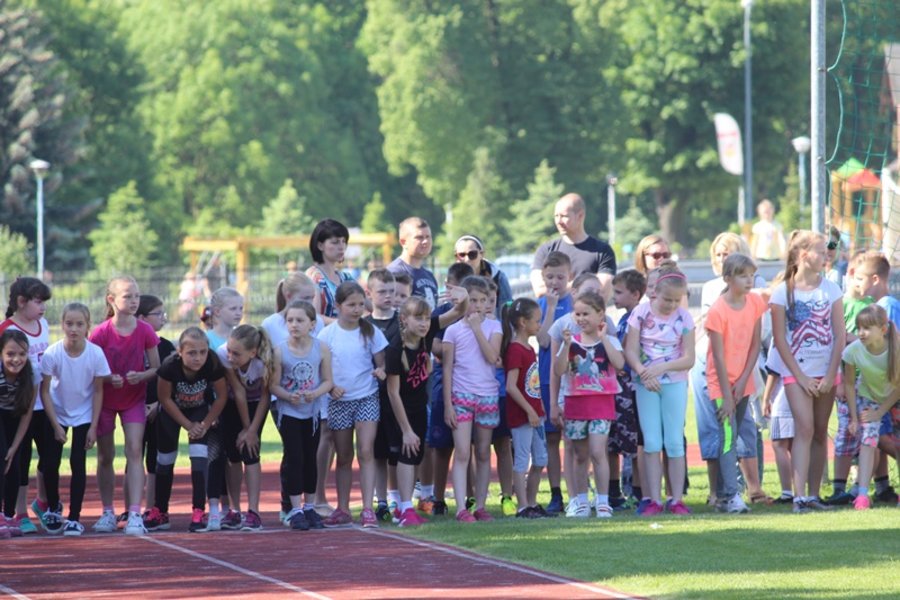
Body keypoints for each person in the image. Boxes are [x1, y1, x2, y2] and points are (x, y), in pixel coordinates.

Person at [691, 233, 770, 507]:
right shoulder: (718, 312)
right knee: (727, 436)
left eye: (751, 276)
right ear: (727, 278)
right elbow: (718, 357)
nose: (749, 281)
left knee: (737, 435)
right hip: (721, 383)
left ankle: (728, 494)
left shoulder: (755, 303)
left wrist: (743, 381)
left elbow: (754, 345)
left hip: (743, 381)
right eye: (742, 276)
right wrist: (727, 392)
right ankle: (730, 495)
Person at [769, 230, 844, 513]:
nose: (826, 256)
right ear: (803, 255)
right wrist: (800, 377)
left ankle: (813, 495)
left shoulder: (831, 289)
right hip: (796, 374)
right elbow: (780, 339)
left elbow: (839, 335)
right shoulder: (782, 293)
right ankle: (798, 497)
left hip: (826, 372)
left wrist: (830, 375)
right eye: (820, 251)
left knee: (820, 432)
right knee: (805, 428)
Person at [386, 293, 467, 527]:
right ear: (404, 319)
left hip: (419, 406)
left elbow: (459, 311)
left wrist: (462, 297)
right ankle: (404, 507)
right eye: (418, 318)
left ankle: (405, 508)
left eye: (426, 318)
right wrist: (406, 430)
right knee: (405, 454)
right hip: (398, 410)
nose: (424, 323)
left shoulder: (428, 332)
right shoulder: (395, 349)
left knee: (416, 455)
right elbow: (393, 393)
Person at [89, 276, 160, 535]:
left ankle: (134, 513)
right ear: (112, 300)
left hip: (134, 399)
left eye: (136, 296)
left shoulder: (145, 330)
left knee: (134, 451)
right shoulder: (100, 333)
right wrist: (109, 378)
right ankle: (107, 511)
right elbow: (91, 370)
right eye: (127, 296)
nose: (133, 301)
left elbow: (157, 367)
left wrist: (141, 376)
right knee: (105, 456)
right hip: (106, 401)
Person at [624, 266, 695, 516]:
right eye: (667, 299)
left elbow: (688, 359)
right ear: (655, 292)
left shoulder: (684, 318)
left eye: (676, 300)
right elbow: (630, 350)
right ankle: (653, 499)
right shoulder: (641, 313)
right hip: (645, 384)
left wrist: (660, 369)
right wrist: (644, 372)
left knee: (674, 442)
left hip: (674, 382)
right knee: (652, 442)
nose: (671, 305)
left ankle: (676, 499)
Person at [319, 282, 388, 528]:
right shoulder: (327, 335)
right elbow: (321, 368)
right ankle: (343, 507)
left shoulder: (370, 331)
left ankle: (368, 508)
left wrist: (381, 370)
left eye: (360, 304)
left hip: (366, 396)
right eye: (351, 305)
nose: (357, 309)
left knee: (366, 451)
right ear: (338, 306)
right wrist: (331, 387)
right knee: (344, 455)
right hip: (339, 400)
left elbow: (381, 361)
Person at [38, 303, 110, 536]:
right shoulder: (52, 354)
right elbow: (44, 391)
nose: (74, 329)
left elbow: (98, 391)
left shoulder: (95, 354)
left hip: (84, 414)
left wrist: (93, 426)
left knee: (77, 462)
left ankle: (74, 517)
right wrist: (55, 424)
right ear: (62, 325)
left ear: (88, 326)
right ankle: (52, 508)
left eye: (79, 324)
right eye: (69, 324)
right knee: (50, 463)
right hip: (57, 411)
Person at [147, 327, 228, 533]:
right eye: (191, 353)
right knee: (165, 460)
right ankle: (160, 511)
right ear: (180, 351)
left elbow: (222, 396)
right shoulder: (169, 366)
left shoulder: (212, 362)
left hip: (199, 412)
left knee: (199, 459)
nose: (198, 358)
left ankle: (198, 511)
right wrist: (187, 425)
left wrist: (205, 424)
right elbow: (164, 399)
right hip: (172, 413)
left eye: (202, 352)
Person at [555, 291, 625, 519]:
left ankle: (603, 501)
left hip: (601, 405)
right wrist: (566, 346)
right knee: (579, 454)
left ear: (600, 315)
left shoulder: (610, 340)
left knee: (597, 451)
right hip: (576, 405)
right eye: (578, 314)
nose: (581, 318)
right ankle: (581, 501)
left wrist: (604, 339)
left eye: (586, 314)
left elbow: (620, 364)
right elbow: (558, 370)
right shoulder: (571, 341)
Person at [443, 276, 502, 522]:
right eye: (473, 300)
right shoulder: (452, 330)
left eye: (482, 300)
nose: (478, 305)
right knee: (462, 452)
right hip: (461, 395)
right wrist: (448, 404)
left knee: (483, 452)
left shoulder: (494, 327)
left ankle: (481, 504)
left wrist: (478, 329)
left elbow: (492, 357)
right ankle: (460, 508)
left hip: (487, 395)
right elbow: (447, 368)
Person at [270, 301, 333, 531]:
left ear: (312, 324)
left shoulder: (321, 348)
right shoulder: (280, 351)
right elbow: (273, 385)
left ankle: (310, 506)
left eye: (299, 320)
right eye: (290, 320)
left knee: (310, 458)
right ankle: (295, 509)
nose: (294, 325)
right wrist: (289, 396)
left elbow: (328, 381)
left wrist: (315, 393)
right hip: (289, 412)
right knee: (294, 457)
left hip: (312, 413)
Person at [1, 277, 51, 535]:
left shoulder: (44, 325)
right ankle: (18, 513)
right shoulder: (6, 329)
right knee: (17, 460)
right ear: (21, 302)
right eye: (38, 302)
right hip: (12, 406)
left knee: (47, 457)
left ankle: (43, 503)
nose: (43, 307)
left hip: (41, 402)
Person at [426, 262, 475, 516]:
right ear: (449, 287)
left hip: (471, 385)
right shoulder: (442, 312)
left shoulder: (478, 313)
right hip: (442, 384)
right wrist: (452, 350)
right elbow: (434, 346)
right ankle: (437, 497)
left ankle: (471, 496)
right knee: (442, 445)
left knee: (468, 446)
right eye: (459, 289)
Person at [217, 325, 275, 531]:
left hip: (256, 404)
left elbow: (266, 396)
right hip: (232, 403)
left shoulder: (265, 361)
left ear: (252, 352)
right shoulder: (223, 354)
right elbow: (238, 391)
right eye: (229, 351)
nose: (230, 356)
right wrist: (245, 427)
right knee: (232, 455)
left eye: (236, 354)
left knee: (251, 452)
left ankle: (254, 512)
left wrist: (252, 431)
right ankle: (234, 510)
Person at [842, 305, 899, 510]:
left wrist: (881, 412)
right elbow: (849, 384)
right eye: (859, 328)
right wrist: (854, 418)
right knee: (868, 441)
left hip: (895, 396)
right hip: (869, 396)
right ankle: (862, 495)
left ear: (883, 330)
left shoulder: (896, 349)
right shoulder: (852, 351)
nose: (861, 333)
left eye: (867, 328)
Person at [500, 298, 549, 518]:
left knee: (540, 459)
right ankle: (522, 506)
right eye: (537, 321)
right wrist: (529, 410)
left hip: (536, 414)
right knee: (522, 459)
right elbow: (511, 386)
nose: (539, 325)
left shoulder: (529, 348)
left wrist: (539, 407)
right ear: (522, 322)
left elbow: (532, 384)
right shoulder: (515, 350)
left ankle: (532, 502)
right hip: (522, 416)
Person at [200, 286, 244, 529]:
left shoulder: (242, 338)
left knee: (233, 456)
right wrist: (210, 409)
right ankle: (216, 506)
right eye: (233, 308)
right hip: (213, 406)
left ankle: (233, 507)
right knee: (215, 456)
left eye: (241, 308)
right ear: (217, 311)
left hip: (236, 405)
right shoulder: (207, 340)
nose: (238, 312)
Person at [535, 252, 574, 513]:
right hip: (548, 378)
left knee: (573, 439)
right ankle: (556, 493)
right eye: (550, 277)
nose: (555, 282)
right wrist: (549, 307)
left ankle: (577, 492)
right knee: (551, 438)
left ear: (569, 276)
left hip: (574, 379)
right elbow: (543, 340)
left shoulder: (575, 302)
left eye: (560, 277)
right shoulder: (541, 303)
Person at [135, 295, 176, 518]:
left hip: (159, 410)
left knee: (154, 459)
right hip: (134, 410)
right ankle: (130, 508)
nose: (163, 317)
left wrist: (157, 404)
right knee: (134, 457)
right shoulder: (132, 344)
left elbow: (172, 382)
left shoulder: (166, 346)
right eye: (158, 313)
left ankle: (150, 507)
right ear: (142, 318)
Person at [530, 193, 616, 297]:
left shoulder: (602, 251)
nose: (558, 221)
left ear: (580, 216)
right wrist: (586, 284)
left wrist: (555, 288)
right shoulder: (545, 250)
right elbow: (539, 291)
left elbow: (602, 292)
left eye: (564, 216)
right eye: (556, 216)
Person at [611, 269, 647, 509]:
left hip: (634, 385)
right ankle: (625, 490)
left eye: (619, 292)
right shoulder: (624, 319)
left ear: (635, 294)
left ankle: (639, 490)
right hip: (621, 386)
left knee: (636, 442)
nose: (614, 297)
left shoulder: (640, 318)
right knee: (622, 440)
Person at [0, 330, 36, 539]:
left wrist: (14, 447)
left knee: (15, 465)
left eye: (22, 354)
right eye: (10, 354)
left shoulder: (32, 374)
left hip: (15, 416)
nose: (16, 359)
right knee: (1, 458)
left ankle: (9, 515)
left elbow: (27, 414)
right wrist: (6, 449)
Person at [306, 219, 355, 319]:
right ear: (320, 245)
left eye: (344, 241)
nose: (342, 247)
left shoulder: (347, 278)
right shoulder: (313, 278)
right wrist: (343, 324)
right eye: (335, 242)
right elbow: (313, 317)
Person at [454, 234, 513, 315]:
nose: (467, 259)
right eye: (461, 255)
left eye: (472, 254)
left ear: (481, 254)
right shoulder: (453, 278)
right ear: (456, 257)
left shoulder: (498, 276)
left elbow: (506, 307)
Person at [388, 217, 439, 309]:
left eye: (428, 237)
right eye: (419, 237)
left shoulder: (429, 275)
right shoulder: (394, 272)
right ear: (403, 242)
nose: (425, 241)